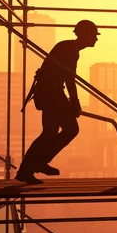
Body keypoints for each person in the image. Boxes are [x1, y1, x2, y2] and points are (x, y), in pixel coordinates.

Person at [15, 20, 100, 184]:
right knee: (69, 129)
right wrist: (74, 102)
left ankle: (29, 167)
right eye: (94, 36)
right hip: (52, 95)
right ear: (85, 35)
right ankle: (33, 165)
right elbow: (69, 78)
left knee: (50, 133)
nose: (96, 39)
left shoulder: (70, 48)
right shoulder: (68, 49)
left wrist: (72, 102)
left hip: (52, 94)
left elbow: (68, 77)